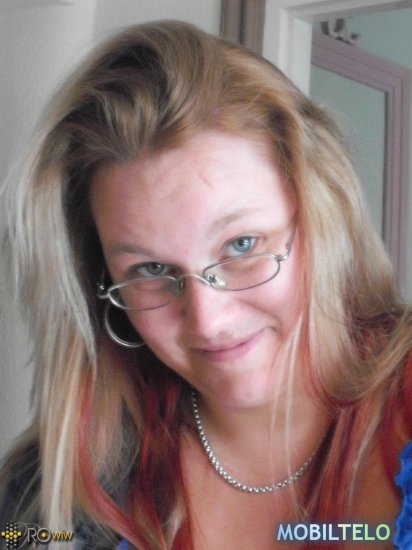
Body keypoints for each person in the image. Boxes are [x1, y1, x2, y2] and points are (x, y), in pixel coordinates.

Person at [0, 20, 411, 550]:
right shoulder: (41, 504)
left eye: (241, 245)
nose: (208, 320)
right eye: (151, 270)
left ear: (322, 216)